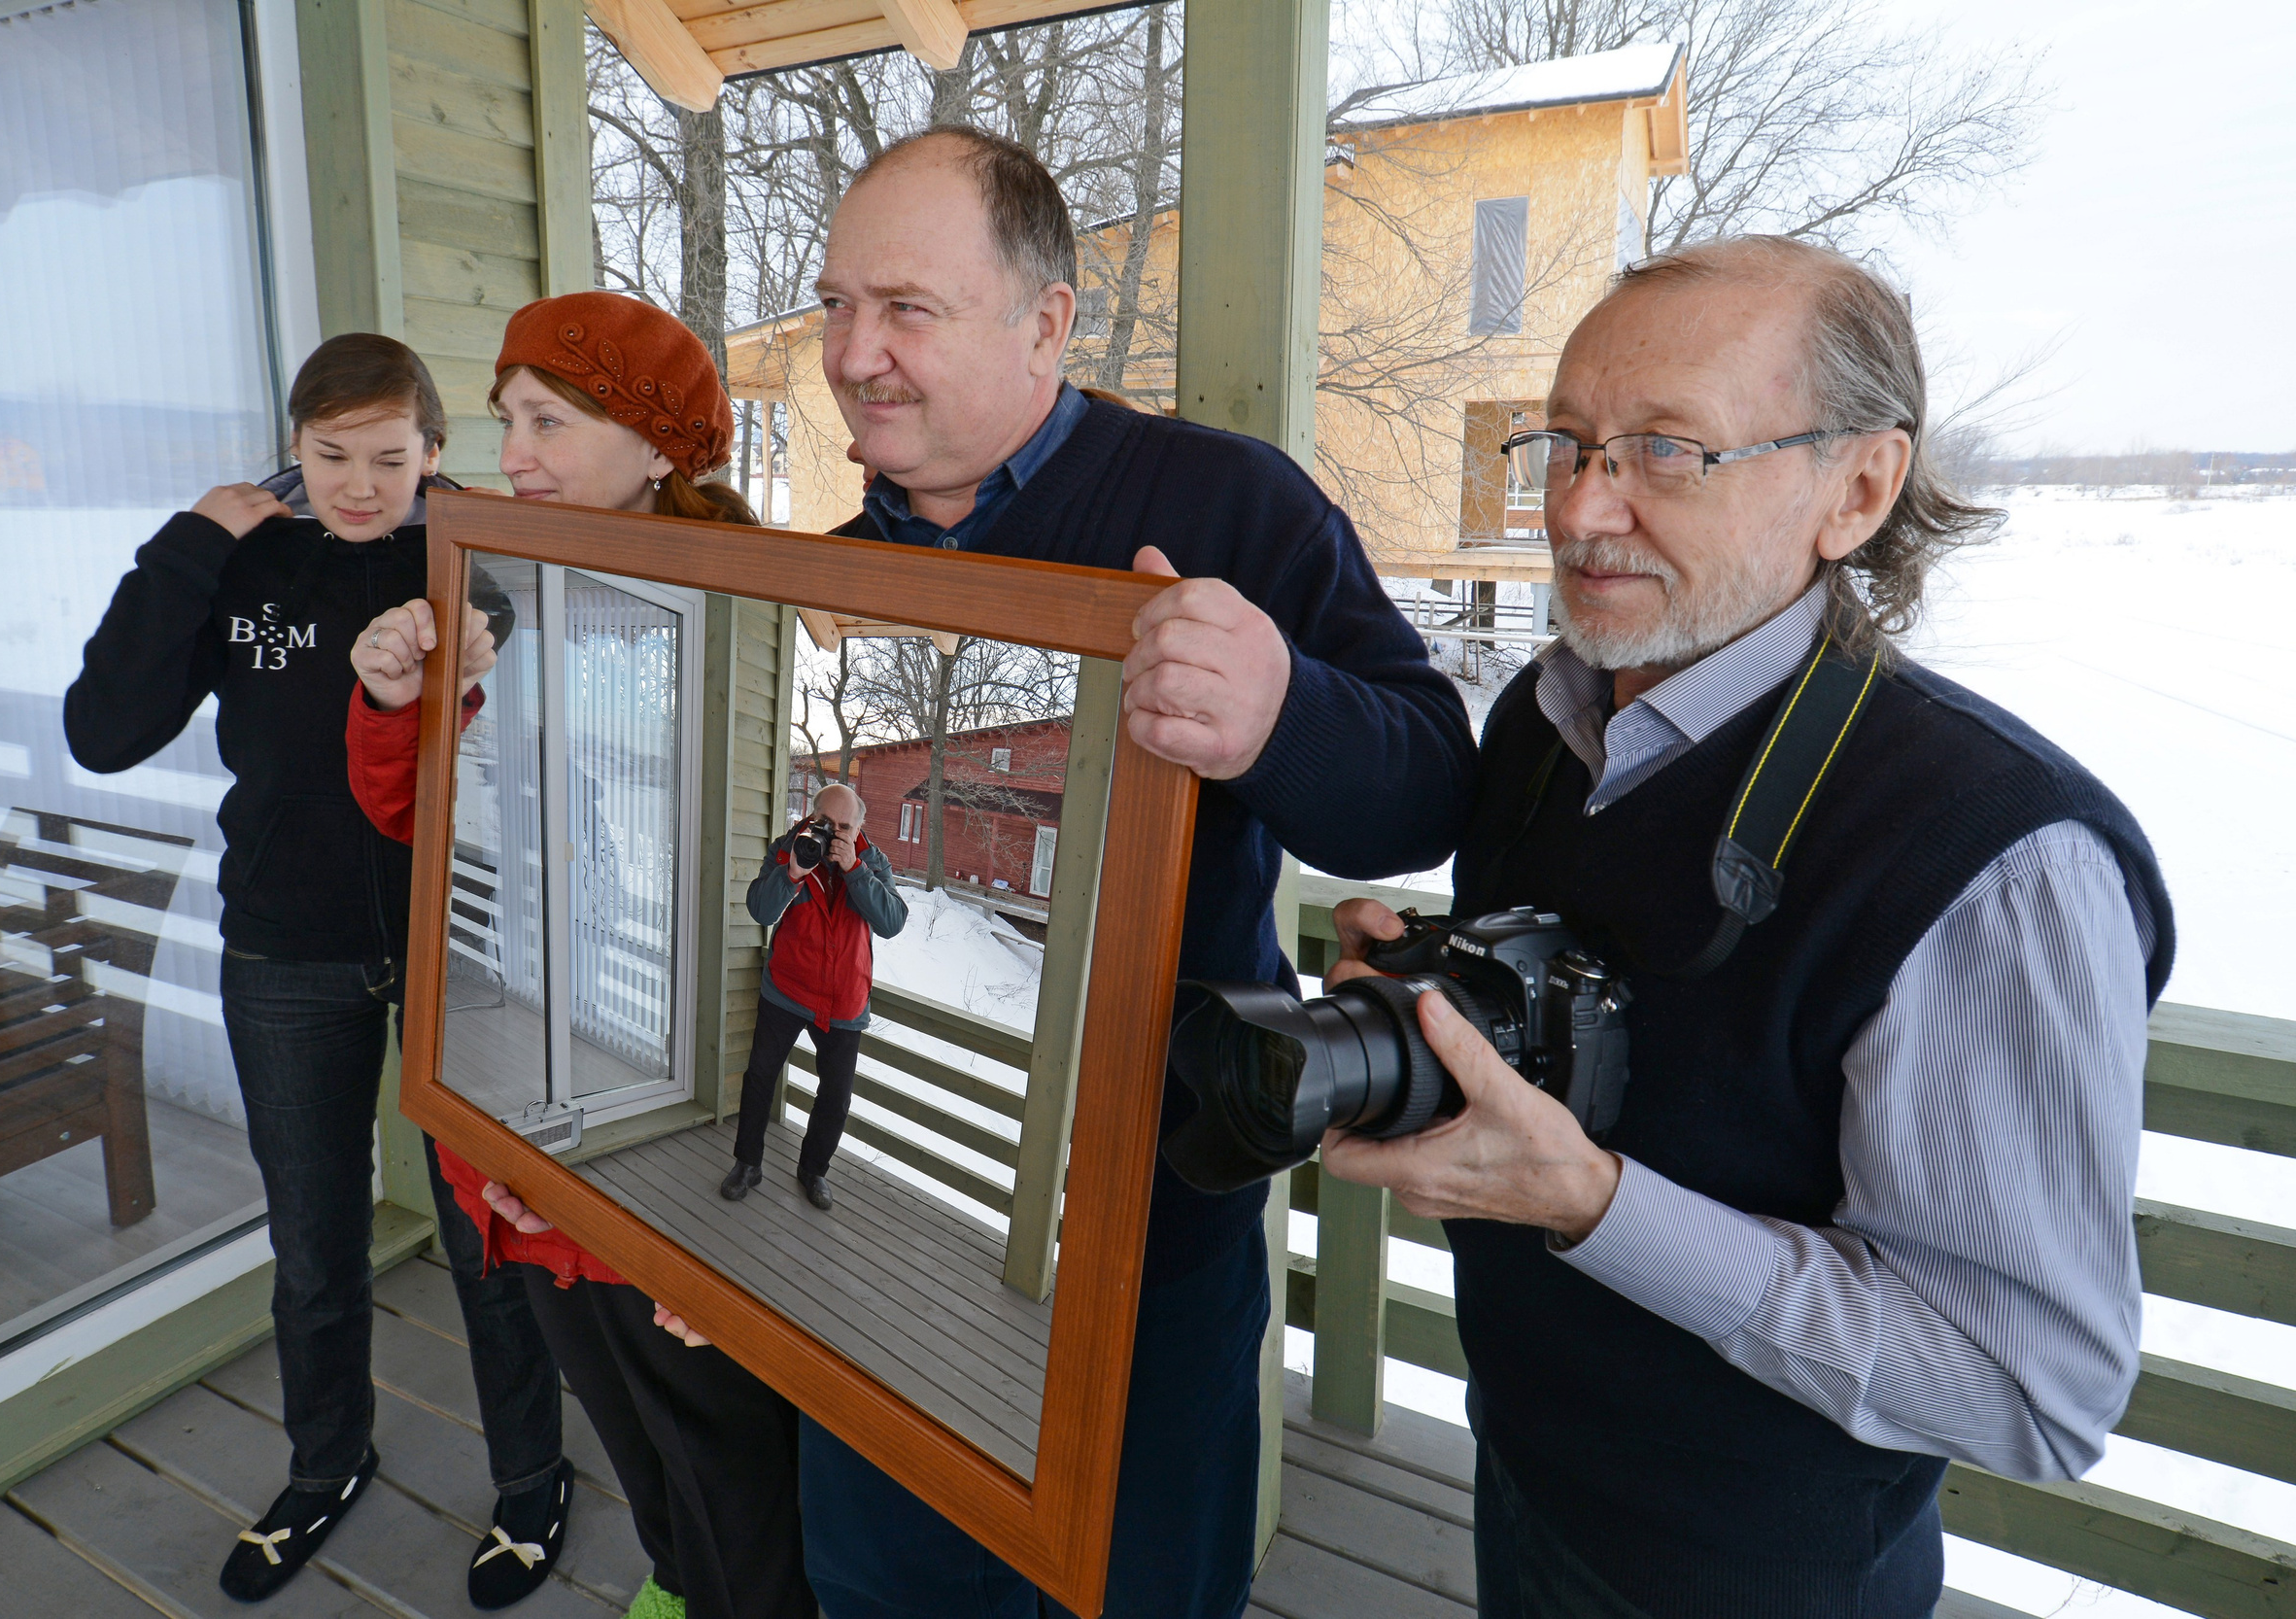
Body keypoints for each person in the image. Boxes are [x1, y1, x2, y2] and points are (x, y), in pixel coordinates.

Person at [1319, 236, 2173, 1618]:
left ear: (1859, 486)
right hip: (1523, 1471)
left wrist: (1597, 1207)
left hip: (1745, 1576)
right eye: (1569, 442)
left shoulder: (1995, 858)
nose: (1586, 508)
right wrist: (1440, 1006)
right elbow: (1670, 1019)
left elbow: (2033, 1386)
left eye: (1669, 453)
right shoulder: (1546, 724)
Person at [788, 125, 1479, 1619]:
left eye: (906, 308)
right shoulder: (834, 581)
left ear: (1046, 319)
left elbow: (1425, 786)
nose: (853, 353)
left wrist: (1281, 708)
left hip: (1149, 1208)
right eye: (837, 305)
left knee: (1136, 1577)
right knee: (890, 1573)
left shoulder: (1230, 504)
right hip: (888, 1188)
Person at [65, 333, 579, 1607]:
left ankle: (531, 1481)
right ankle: (325, 1463)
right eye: (331, 454)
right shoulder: (246, 562)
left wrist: (473, 636)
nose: (359, 484)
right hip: (282, 952)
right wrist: (190, 539)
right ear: (292, 447)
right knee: (313, 1247)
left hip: (451, 951)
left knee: (484, 1238)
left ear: (433, 455)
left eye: (389, 458)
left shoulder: (462, 550)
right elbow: (103, 728)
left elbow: (516, 641)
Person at [343, 290, 816, 1619]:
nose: (519, 452)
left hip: (649, 1123)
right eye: (508, 422)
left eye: (551, 420)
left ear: (656, 445)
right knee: (629, 1420)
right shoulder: (508, 592)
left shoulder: (718, 615)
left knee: (726, 1453)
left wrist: (666, 1181)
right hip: (519, 1095)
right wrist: (401, 701)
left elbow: (726, 902)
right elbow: (420, 819)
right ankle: (675, 1581)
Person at [721, 783, 908, 1210]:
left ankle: (813, 1171)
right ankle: (747, 1163)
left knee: (835, 1096)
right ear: (812, 815)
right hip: (787, 989)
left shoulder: (874, 863)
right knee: (759, 1078)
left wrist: (855, 870)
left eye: (846, 826)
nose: (835, 833)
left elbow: (892, 922)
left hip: (844, 1001)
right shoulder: (791, 849)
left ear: (860, 827)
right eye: (827, 823)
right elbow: (761, 911)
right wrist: (792, 873)